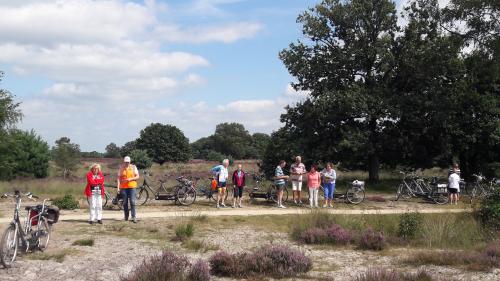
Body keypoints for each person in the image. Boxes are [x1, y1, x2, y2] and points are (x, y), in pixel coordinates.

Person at [117, 156, 139, 223]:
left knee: (132, 201)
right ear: (124, 162)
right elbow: (118, 178)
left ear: (130, 161)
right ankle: (126, 217)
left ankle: (133, 217)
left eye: (128, 162)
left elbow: (137, 176)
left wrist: (130, 179)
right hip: (123, 187)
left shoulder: (133, 167)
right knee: (125, 202)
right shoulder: (121, 168)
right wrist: (118, 188)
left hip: (132, 186)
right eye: (126, 162)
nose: (127, 163)